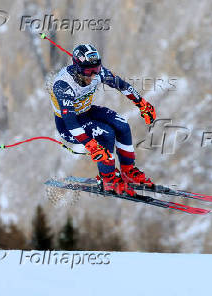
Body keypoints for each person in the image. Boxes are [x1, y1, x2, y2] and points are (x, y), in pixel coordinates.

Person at [49, 44, 156, 196]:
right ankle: (108, 180)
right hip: (68, 126)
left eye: (96, 69)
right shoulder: (63, 85)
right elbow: (70, 122)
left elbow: (122, 85)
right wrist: (90, 144)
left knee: (122, 125)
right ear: (77, 67)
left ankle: (127, 170)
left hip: (86, 112)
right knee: (106, 134)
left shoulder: (97, 72)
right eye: (88, 71)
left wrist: (141, 103)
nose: (93, 75)